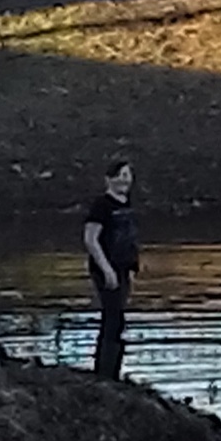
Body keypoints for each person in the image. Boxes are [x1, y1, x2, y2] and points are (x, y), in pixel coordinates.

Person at [83, 159, 139, 380]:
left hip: (124, 268)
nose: (125, 179)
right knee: (112, 318)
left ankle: (113, 371)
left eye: (128, 175)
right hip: (106, 268)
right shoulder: (101, 206)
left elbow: (130, 238)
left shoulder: (126, 203)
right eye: (121, 175)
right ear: (109, 179)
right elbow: (90, 239)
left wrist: (133, 266)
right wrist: (106, 269)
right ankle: (105, 373)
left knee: (117, 319)